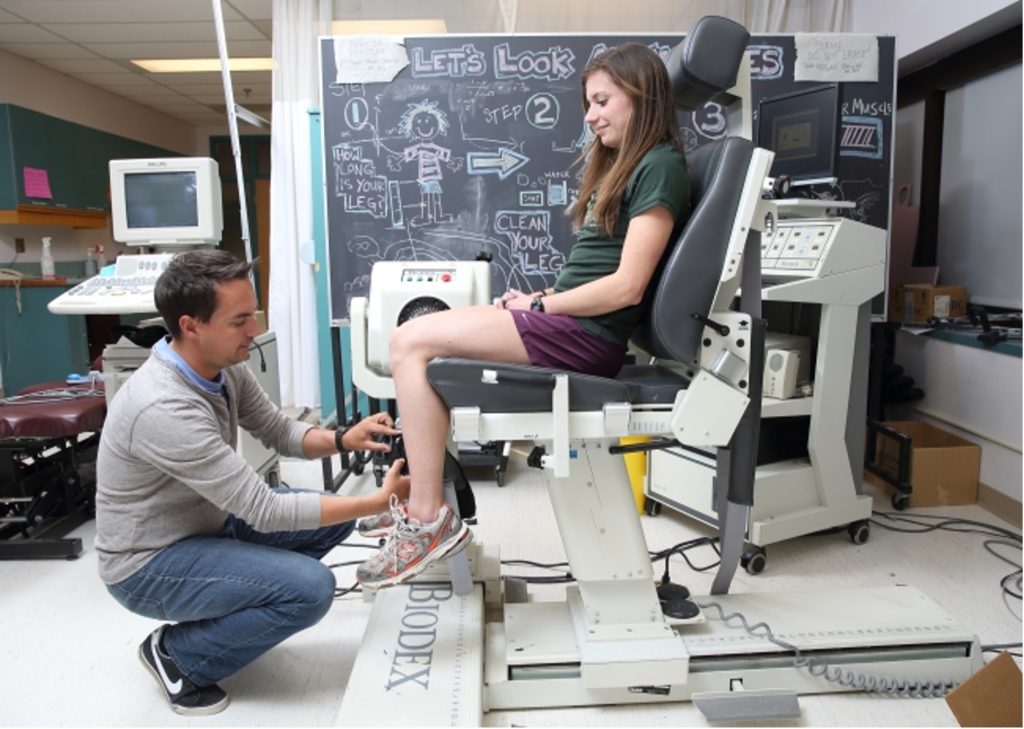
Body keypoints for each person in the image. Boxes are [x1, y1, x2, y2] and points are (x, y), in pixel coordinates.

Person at [355, 42, 690, 589]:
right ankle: (431, 500)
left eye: (602, 100)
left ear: (640, 95)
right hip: (571, 325)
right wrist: (536, 299)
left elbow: (627, 287)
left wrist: (542, 305)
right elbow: (596, 274)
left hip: (586, 338)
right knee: (417, 345)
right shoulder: (631, 165)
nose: (590, 115)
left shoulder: (659, 165)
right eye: (589, 103)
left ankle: (426, 518)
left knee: (409, 343)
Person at [95, 249, 409, 716]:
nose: (254, 331)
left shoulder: (223, 368)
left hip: (204, 526)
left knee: (325, 519)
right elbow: (263, 509)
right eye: (240, 320)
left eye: (253, 315)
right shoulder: (162, 407)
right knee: (310, 589)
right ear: (190, 325)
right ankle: (178, 655)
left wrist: (345, 438)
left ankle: (238, 612)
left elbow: (281, 432)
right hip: (147, 563)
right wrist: (377, 503)